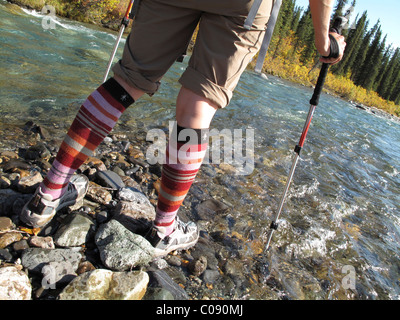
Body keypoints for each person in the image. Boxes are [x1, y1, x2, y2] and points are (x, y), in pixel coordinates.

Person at [21, 0, 346, 257]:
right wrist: (323, 42)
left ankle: (47, 196)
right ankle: (163, 229)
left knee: (125, 81)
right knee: (198, 106)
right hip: (242, 7)